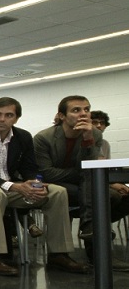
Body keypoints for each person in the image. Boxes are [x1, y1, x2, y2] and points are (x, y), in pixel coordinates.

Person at [0, 96, 88, 275]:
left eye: (8, 115)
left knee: (57, 191)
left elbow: (29, 168)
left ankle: (59, 254)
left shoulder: (23, 136)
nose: (2, 119)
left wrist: (35, 184)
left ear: (16, 118)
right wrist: (14, 186)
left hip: (12, 186)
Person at [34, 96, 129, 268]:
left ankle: (90, 228)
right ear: (62, 116)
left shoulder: (95, 134)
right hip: (54, 186)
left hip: (82, 186)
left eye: (86, 109)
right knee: (100, 195)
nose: (83, 114)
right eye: (76, 110)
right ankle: (97, 248)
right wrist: (81, 174)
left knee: (116, 196)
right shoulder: (44, 138)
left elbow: (91, 166)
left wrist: (87, 138)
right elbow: (46, 173)